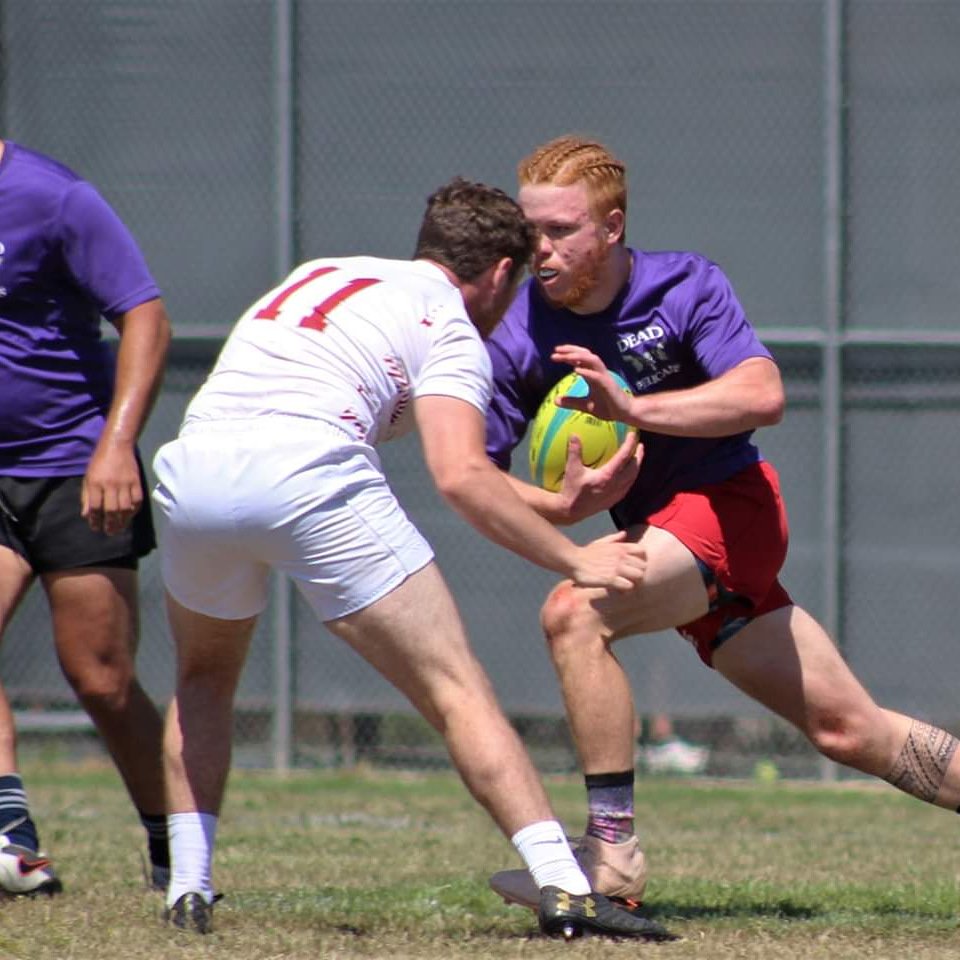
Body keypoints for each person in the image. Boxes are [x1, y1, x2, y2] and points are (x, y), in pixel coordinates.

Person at [151, 177, 675, 941]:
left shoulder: (323, 273)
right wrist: (575, 558)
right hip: (306, 473)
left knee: (202, 678)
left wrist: (555, 505)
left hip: (192, 471)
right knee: (457, 690)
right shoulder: (453, 324)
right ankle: (566, 888)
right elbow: (459, 473)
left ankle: (187, 888)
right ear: (499, 273)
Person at [484, 134, 960, 912]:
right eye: (529, 229)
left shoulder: (683, 286)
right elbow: (480, 477)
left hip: (731, 512)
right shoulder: (517, 329)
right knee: (851, 731)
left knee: (574, 614)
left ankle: (613, 858)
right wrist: (563, 509)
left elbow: (762, 393)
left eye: (561, 230)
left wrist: (634, 408)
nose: (540, 248)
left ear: (611, 227)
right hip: (671, 547)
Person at [0, 140, 172, 895]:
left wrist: (116, 447)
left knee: (100, 679)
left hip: (73, 464)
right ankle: (12, 841)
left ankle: (176, 840)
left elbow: (144, 313)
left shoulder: (53, 196)